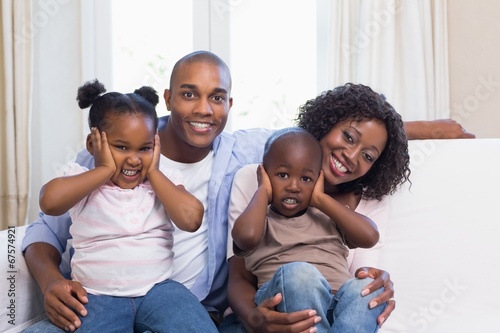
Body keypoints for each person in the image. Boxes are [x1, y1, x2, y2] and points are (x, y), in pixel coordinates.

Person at [21, 50, 473, 332]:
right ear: (168, 97)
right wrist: (51, 280)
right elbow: (44, 230)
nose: (203, 110)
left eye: (216, 97)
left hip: (187, 307)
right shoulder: (118, 147)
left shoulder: (244, 153)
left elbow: (317, 139)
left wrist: (417, 128)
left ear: (230, 105)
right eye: (189, 94)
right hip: (103, 295)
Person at [27, 79, 217, 332]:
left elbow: (191, 219)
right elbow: (49, 202)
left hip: (159, 292)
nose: (135, 159)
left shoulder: (163, 182)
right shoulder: (81, 179)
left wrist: (156, 175)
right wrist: (104, 170)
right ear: (92, 144)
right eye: (121, 147)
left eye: (145, 148)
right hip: (96, 297)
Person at [223, 83, 411, 332]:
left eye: (368, 156)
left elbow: (360, 271)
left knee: (363, 291)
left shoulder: (365, 204)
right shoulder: (259, 180)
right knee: (301, 275)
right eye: (348, 137)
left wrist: (377, 282)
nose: (351, 156)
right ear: (325, 124)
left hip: (334, 311)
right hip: (271, 312)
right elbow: (239, 274)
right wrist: (255, 320)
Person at [232, 125, 389, 333]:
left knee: (367, 288)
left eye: (306, 179)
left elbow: (370, 236)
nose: (294, 186)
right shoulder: (261, 221)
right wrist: (262, 190)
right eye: (282, 175)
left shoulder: (329, 217)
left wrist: (321, 199)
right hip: (287, 302)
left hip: (337, 305)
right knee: (300, 273)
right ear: (264, 173)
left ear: (318, 180)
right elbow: (246, 236)